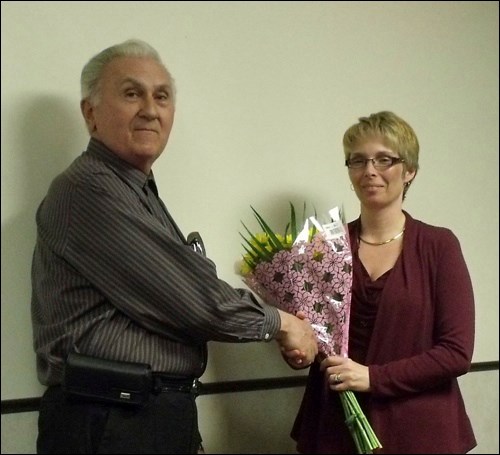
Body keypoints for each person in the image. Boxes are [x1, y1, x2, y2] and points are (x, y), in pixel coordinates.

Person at [31, 38, 317, 454]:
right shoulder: (89, 189)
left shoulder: (137, 190)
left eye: (161, 96)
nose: (150, 109)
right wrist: (283, 322)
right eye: (132, 94)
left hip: (141, 416)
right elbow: (198, 301)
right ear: (90, 113)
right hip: (109, 419)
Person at [290, 111, 476, 453]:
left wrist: (373, 378)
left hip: (420, 433)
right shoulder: (325, 248)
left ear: (409, 171)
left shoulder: (439, 246)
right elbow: (314, 341)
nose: (370, 171)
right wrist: (298, 349)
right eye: (358, 160)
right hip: (336, 428)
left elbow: (457, 353)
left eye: (384, 160)